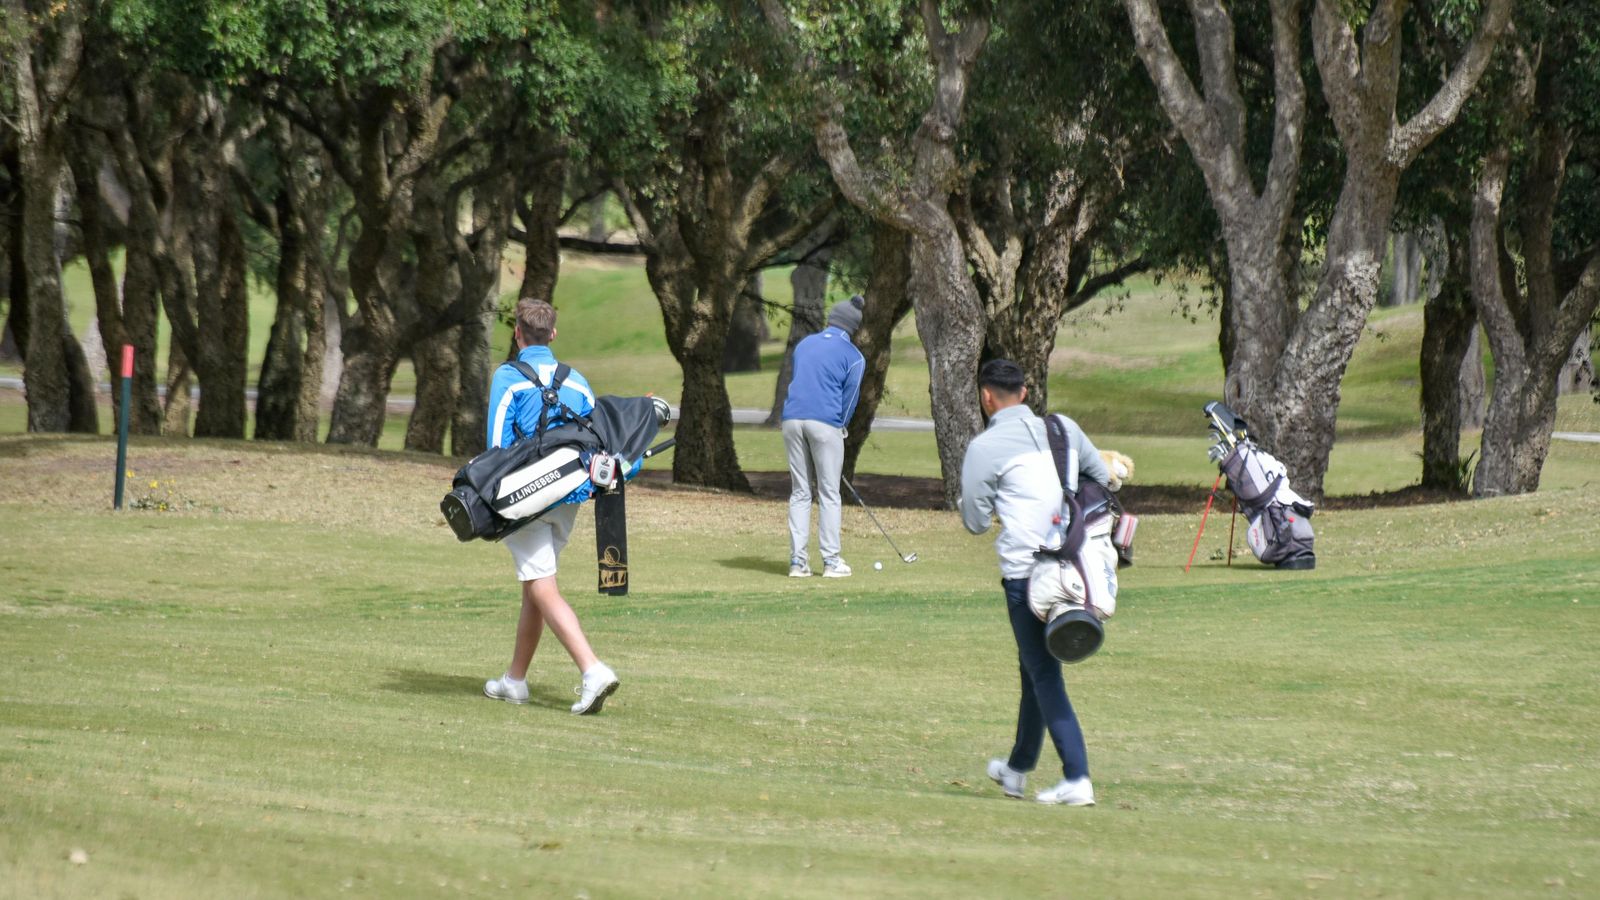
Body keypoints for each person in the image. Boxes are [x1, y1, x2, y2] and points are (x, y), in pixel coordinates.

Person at [959, 358, 1108, 806]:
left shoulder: (984, 448)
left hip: (1027, 577)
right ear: (1023, 392)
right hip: (1076, 568)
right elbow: (1100, 478)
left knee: (1044, 673)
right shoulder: (1063, 428)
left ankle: (1077, 776)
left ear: (987, 397)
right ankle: (1017, 769)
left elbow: (975, 522)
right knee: (1033, 668)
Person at [481, 299, 620, 715]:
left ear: (517, 334)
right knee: (535, 585)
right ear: (553, 335)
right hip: (568, 498)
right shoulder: (576, 381)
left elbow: (496, 447)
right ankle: (515, 681)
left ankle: (592, 670)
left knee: (541, 585)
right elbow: (597, 438)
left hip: (525, 496)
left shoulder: (508, 376)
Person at [780, 295, 867, 578]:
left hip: (792, 420)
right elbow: (850, 399)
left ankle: (797, 562)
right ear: (852, 327)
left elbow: (803, 380)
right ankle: (831, 562)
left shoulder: (805, 344)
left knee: (800, 491)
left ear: (831, 320)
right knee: (829, 493)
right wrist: (840, 426)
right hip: (825, 424)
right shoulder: (854, 356)